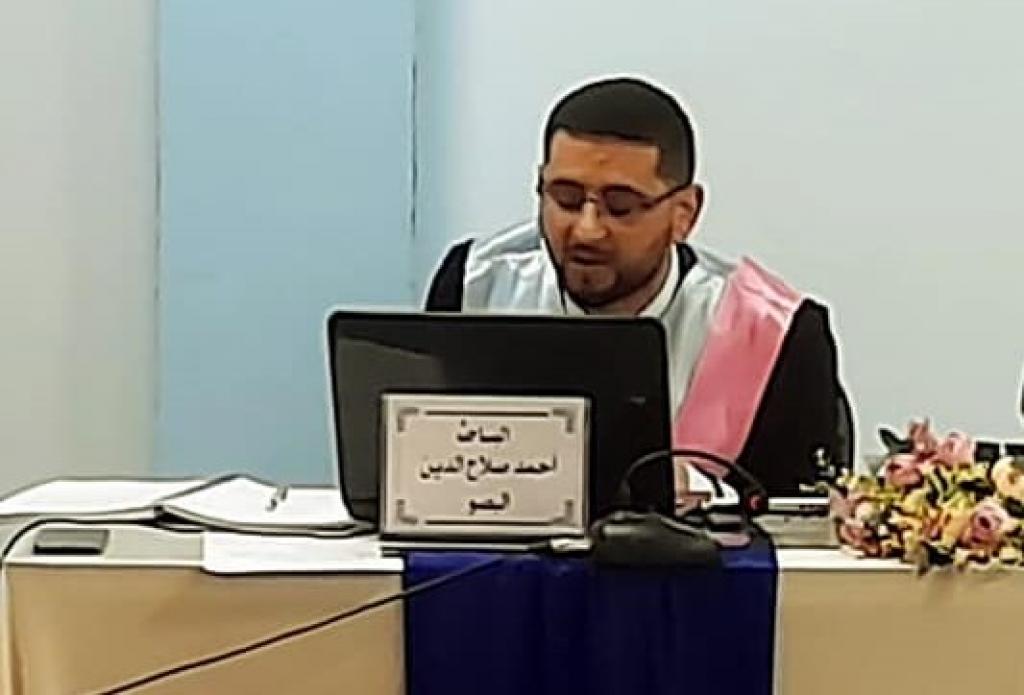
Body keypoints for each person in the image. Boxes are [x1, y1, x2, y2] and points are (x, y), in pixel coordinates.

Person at [424, 76, 852, 496]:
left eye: (620, 207)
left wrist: (701, 491)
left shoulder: (772, 332)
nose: (587, 230)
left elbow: (806, 515)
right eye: (566, 199)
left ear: (684, 214)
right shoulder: (475, 286)